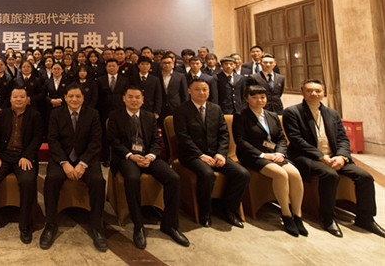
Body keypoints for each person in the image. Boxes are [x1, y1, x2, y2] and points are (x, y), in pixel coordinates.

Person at [283, 79, 385, 238]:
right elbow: (296, 140)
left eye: (318, 91)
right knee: (329, 175)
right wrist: (321, 157)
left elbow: (343, 138)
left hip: (334, 156)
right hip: (307, 157)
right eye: (309, 90)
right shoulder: (292, 112)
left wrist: (342, 157)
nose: (314, 93)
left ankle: (365, 218)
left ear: (324, 93)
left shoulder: (332, 113)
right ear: (303, 92)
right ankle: (328, 217)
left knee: (365, 177)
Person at [107, 86, 189, 248]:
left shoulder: (149, 116)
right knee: (132, 178)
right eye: (130, 97)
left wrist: (150, 156)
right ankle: (138, 226)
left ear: (142, 100)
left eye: (137, 97)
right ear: (124, 98)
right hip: (127, 158)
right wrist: (131, 156)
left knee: (173, 178)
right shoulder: (115, 116)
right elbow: (114, 142)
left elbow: (156, 141)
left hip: (148, 156)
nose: (134, 100)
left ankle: (170, 225)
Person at [174, 79, 250, 228]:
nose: (201, 93)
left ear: (209, 92)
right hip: (192, 155)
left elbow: (224, 134)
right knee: (207, 174)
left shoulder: (216, 108)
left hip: (216, 154)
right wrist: (201, 155)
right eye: (197, 89)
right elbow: (183, 137)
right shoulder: (181, 110)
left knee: (242, 174)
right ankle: (205, 212)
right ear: (189, 91)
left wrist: (221, 153)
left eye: (205, 90)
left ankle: (228, 209)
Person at [232, 84, 306, 237]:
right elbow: (241, 141)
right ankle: (286, 214)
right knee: (281, 174)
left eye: (262, 97)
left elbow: (281, 138)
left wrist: (280, 153)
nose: (259, 100)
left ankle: (297, 215)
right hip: (253, 156)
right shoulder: (240, 116)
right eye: (254, 97)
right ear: (246, 99)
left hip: (274, 154)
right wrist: (262, 155)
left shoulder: (272, 115)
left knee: (295, 174)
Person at [40, 84, 107, 252]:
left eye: (78, 96)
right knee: (51, 180)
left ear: (83, 98)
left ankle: (96, 226)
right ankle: (50, 224)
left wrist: (83, 163)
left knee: (98, 181)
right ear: (65, 98)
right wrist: (64, 163)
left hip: (86, 159)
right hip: (62, 159)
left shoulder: (93, 114)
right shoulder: (56, 114)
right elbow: (52, 140)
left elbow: (95, 142)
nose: (74, 99)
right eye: (71, 96)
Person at [0, 88, 43, 244]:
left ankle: (25, 224)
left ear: (27, 99)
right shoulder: (2, 115)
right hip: (3, 156)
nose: (18, 99)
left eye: (22, 96)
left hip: (23, 156)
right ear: (10, 99)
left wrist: (27, 156)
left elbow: (37, 138)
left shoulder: (35, 116)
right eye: (15, 96)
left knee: (28, 181)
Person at [157, 54, 188, 124]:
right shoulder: (157, 77)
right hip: (161, 108)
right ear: (161, 64)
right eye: (164, 63)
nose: (167, 65)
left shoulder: (180, 76)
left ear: (173, 64)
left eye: (169, 63)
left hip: (176, 107)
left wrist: (185, 108)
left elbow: (185, 94)